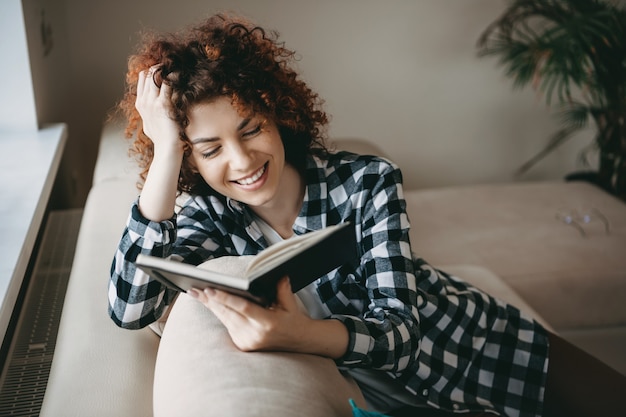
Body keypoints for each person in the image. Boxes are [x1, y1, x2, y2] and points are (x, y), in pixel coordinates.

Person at [108, 13, 626, 417]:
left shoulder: (367, 180)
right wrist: (166, 154)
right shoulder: (210, 216)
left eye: (250, 129)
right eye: (209, 147)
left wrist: (297, 335)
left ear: (277, 113)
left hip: (480, 348)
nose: (242, 162)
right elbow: (129, 309)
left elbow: (401, 332)